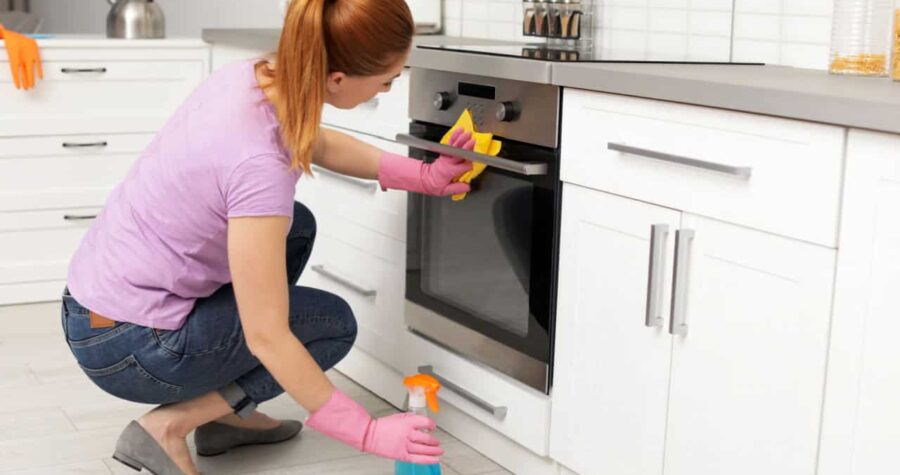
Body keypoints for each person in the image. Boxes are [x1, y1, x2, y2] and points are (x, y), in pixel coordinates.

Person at [59, 1, 475, 474]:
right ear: (336, 78)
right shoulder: (257, 166)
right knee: (331, 324)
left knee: (294, 225)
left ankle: (226, 420)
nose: (389, 86)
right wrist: (367, 431)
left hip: (95, 306)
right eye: (386, 80)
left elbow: (312, 141)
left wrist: (423, 175)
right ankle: (169, 426)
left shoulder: (251, 77)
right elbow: (268, 337)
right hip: (129, 346)